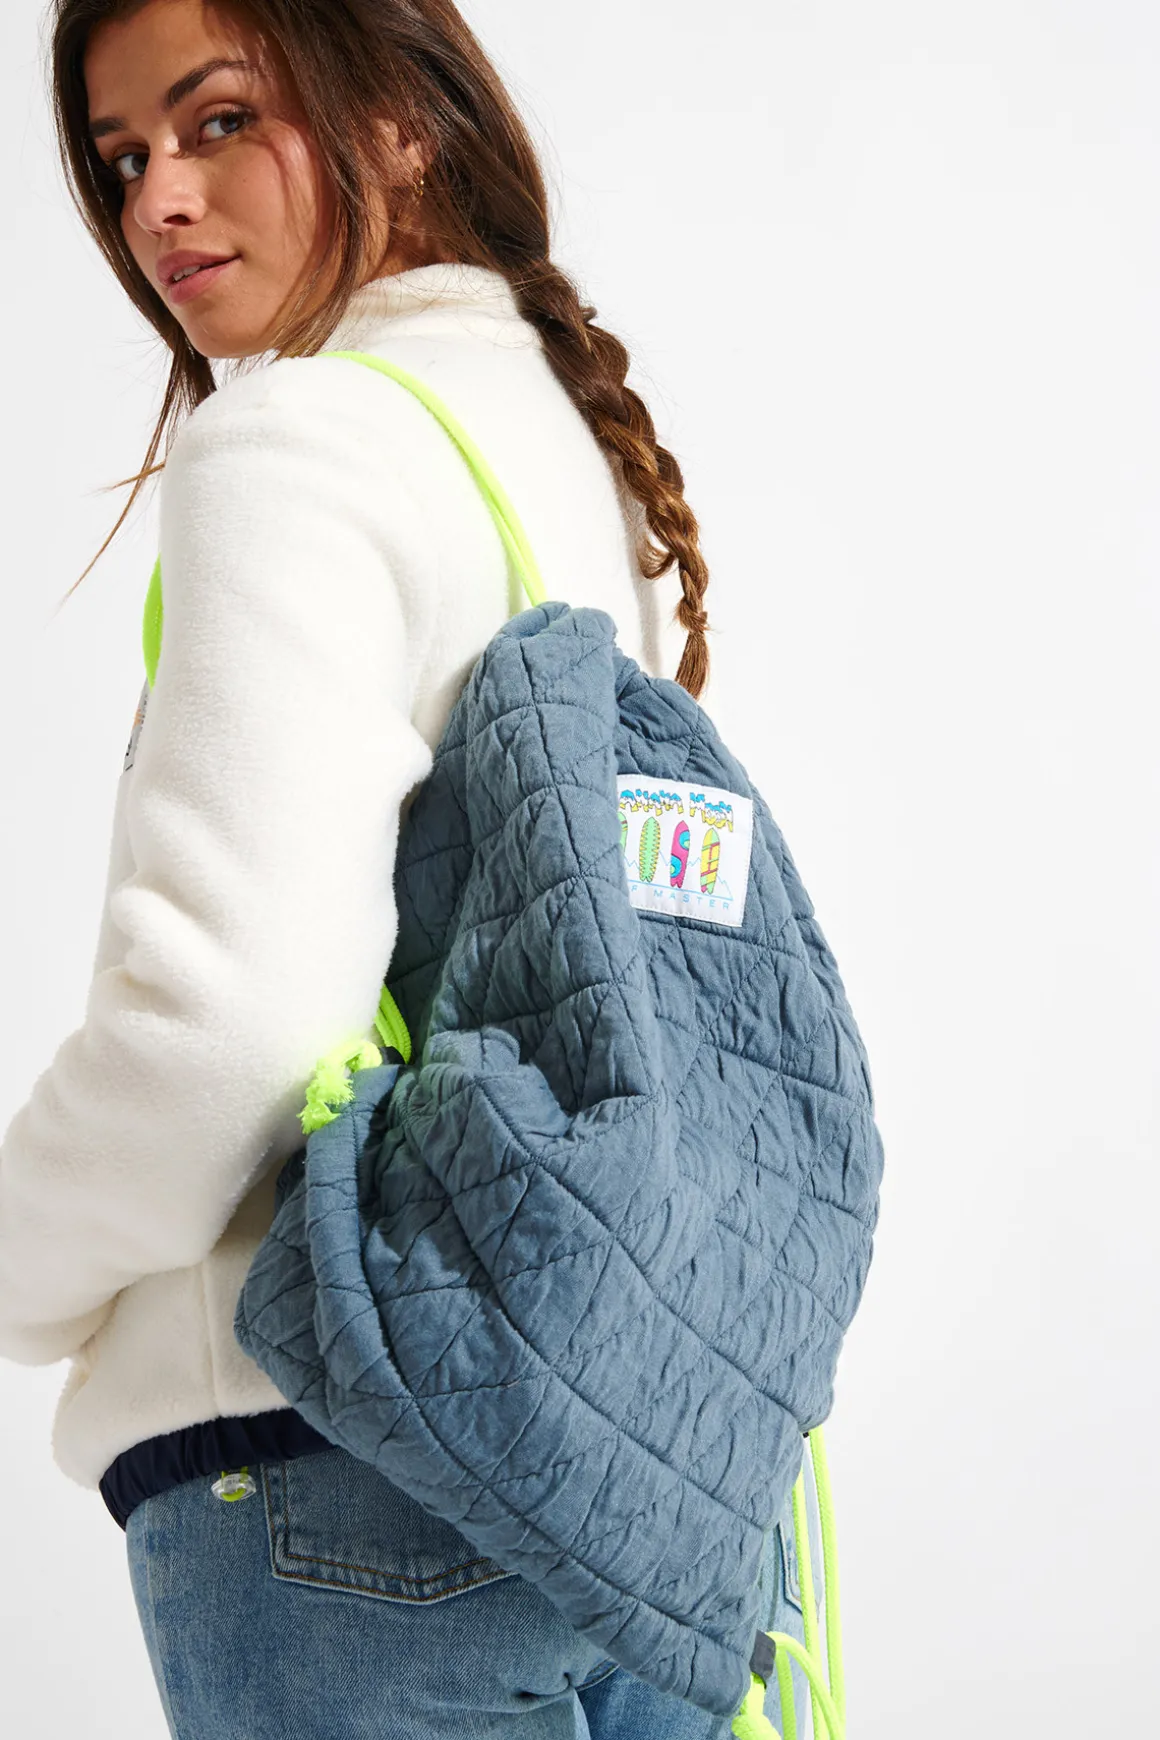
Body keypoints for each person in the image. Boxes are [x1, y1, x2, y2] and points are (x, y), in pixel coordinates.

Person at [0, 2, 812, 1734]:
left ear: (400, 117)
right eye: (125, 157)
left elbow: (229, 1023)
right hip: (629, 1468)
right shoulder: (567, 443)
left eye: (220, 120)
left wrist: (19, 1259)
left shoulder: (290, 447)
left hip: (332, 1445)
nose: (158, 203)